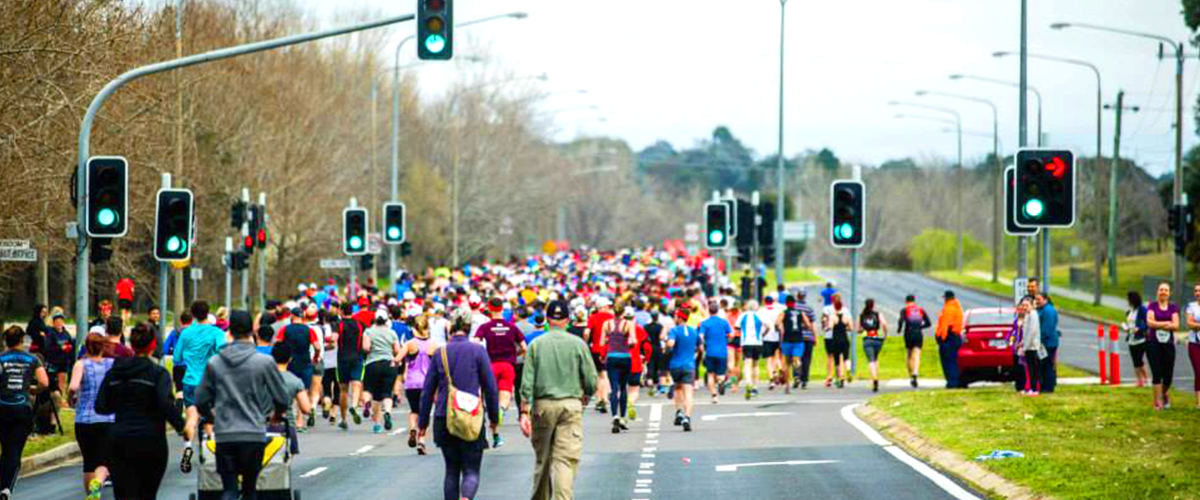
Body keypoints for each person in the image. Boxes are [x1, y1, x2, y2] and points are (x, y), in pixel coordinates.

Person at [194, 310, 291, 500]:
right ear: (252, 331)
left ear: (229, 331)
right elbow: (282, 398)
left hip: (225, 434)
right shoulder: (264, 362)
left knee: (229, 487)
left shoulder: (215, 362)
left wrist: (214, 418)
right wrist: (276, 415)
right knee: (249, 488)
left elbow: (200, 400)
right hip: (254, 433)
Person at [94, 322, 184, 500]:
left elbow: (101, 406)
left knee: (122, 494)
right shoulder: (158, 373)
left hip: (119, 440)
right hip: (150, 441)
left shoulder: (115, 372)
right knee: (147, 494)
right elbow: (165, 405)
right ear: (152, 345)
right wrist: (182, 427)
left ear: (131, 345)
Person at [519, 300, 598, 500]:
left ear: (547, 320)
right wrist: (586, 395)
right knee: (564, 460)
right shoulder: (578, 344)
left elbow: (526, 381)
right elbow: (591, 379)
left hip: (543, 405)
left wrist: (523, 411)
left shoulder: (536, 345)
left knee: (542, 460)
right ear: (567, 320)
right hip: (571, 403)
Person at [418, 309, 500, 500]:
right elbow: (490, 387)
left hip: (444, 416)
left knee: (452, 470)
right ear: (469, 327)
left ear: (451, 328)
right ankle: (466, 498)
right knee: (471, 469)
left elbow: (427, 391)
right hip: (471, 416)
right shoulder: (478, 351)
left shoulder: (441, 353)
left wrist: (422, 423)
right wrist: (494, 419)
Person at [175, 300, 227, 472]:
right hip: (210, 381)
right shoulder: (216, 332)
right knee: (209, 418)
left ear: (193, 314)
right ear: (208, 312)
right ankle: (210, 452)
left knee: (191, 417)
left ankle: (188, 446)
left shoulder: (185, 333)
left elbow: (177, 358)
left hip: (190, 381)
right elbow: (223, 352)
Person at [0, 326, 49, 500]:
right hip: (22, 409)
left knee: (4, 448)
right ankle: (5, 488)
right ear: (22, 341)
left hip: (2, 408)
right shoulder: (32, 359)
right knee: (14, 451)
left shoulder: (1, 358)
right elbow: (44, 382)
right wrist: (32, 390)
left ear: (6, 341)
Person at [473, 297, 527, 446]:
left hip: (490, 365)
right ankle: (501, 410)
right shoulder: (512, 327)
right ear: (502, 309)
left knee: (489, 399)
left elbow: (475, 344)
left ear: (489, 309)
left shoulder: (485, 327)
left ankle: (494, 433)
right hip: (508, 365)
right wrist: (516, 355)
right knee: (504, 398)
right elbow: (524, 348)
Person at [68, 333, 114, 500]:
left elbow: (73, 386)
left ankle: (91, 495)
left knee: (89, 460)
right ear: (103, 347)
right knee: (105, 458)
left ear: (86, 347)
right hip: (107, 418)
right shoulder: (111, 364)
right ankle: (99, 483)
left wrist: (71, 398)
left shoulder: (81, 364)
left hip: (84, 419)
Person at [270, 342, 313, 454]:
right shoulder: (295, 381)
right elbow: (306, 408)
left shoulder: (262, 377)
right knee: (285, 461)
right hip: (286, 426)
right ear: (290, 359)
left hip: (261, 426)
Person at [601, 305, 639, 431]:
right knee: (623, 388)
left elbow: (601, 343)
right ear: (623, 313)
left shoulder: (606, 324)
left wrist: (609, 341)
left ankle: (615, 416)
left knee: (614, 387)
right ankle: (622, 417)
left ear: (613, 312)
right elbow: (633, 340)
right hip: (625, 357)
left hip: (611, 357)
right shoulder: (628, 324)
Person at [363, 312, 402, 434]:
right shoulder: (392, 332)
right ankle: (388, 412)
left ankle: (375, 421)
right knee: (387, 393)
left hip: (372, 364)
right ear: (386, 320)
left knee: (370, 392)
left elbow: (366, 348)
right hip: (388, 365)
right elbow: (397, 350)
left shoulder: (368, 332)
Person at [403, 314, 436, 455]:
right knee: (425, 413)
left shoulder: (410, 343)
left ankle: (412, 429)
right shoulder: (433, 345)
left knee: (414, 410)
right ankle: (421, 440)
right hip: (427, 383)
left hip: (411, 383)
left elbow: (397, 358)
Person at [1145, 282, 1179, 410]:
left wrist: (1158, 323)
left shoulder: (1173, 308)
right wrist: (1166, 323)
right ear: (1157, 292)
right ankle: (1157, 402)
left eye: (1166, 290)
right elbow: (1150, 322)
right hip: (1153, 344)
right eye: (1161, 290)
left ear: (1169, 293)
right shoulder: (1152, 306)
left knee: (1168, 375)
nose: (1163, 292)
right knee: (1156, 373)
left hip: (1168, 345)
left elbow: (1176, 325)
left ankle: (1164, 393)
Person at [335, 302, 369, 430]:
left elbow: (334, 339)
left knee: (343, 390)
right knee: (357, 384)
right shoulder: (360, 325)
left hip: (342, 359)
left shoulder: (339, 324)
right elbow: (366, 345)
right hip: (357, 358)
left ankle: (343, 419)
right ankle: (354, 406)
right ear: (352, 312)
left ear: (341, 311)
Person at [667, 308, 699, 431]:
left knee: (678, 388)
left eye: (676, 316)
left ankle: (679, 411)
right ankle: (687, 417)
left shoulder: (674, 330)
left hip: (676, 364)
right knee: (688, 392)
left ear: (680, 318)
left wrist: (668, 343)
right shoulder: (694, 331)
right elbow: (699, 346)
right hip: (689, 365)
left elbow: (671, 343)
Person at [779, 295, 814, 394]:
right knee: (797, 359)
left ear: (786, 303)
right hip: (798, 339)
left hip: (787, 339)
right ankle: (798, 366)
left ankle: (787, 386)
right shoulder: (800, 313)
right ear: (794, 303)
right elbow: (808, 324)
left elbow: (777, 323)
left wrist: (781, 328)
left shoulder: (784, 313)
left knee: (786, 363)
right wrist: (805, 327)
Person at [585, 298, 614, 414]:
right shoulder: (611, 317)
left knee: (598, 374)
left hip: (596, 348)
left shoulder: (592, 317)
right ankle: (605, 398)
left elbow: (587, 332)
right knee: (605, 374)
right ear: (604, 306)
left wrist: (586, 341)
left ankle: (599, 399)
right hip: (610, 348)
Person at [896, 294, 931, 388]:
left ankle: (911, 375)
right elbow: (928, 323)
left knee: (909, 354)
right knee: (917, 354)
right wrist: (920, 327)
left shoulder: (904, 310)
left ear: (906, 301)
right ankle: (916, 373)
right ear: (914, 301)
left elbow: (901, 320)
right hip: (918, 333)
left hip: (908, 333)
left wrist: (899, 330)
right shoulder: (920, 310)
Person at [1012, 297, 1045, 396]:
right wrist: (1021, 343)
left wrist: (1025, 346)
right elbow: (1025, 332)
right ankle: (1029, 388)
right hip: (1027, 346)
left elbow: (1032, 332)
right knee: (1029, 369)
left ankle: (1034, 389)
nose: (1025, 307)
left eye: (1027, 305)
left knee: (1033, 369)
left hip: (1032, 347)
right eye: (1023, 305)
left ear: (1032, 305)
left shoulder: (1033, 315)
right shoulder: (1028, 315)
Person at [43, 310, 75, 405]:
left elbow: (71, 344)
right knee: (52, 382)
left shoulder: (66, 333)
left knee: (62, 381)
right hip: (53, 361)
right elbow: (48, 347)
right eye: (57, 321)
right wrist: (60, 348)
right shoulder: (51, 333)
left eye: (61, 321)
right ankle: (53, 399)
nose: (59, 323)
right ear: (54, 322)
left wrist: (69, 348)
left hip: (63, 361)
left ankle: (62, 400)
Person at [822, 293, 853, 388]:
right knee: (845, 357)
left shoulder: (828, 311)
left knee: (834, 358)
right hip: (844, 338)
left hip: (832, 338)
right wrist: (845, 328)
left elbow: (827, 325)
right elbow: (851, 327)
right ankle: (847, 370)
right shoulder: (846, 312)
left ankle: (836, 377)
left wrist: (826, 327)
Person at [936, 291, 964, 389]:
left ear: (947, 298)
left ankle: (952, 382)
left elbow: (945, 325)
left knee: (948, 362)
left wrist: (941, 338)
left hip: (949, 337)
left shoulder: (948, 308)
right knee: (954, 361)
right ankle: (956, 381)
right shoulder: (958, 307)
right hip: (956, 337)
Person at [859, 299, 888, 392]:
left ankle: (874, 378)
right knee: (875, 358)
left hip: (867, 339)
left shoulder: (862, 315)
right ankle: (876, 376)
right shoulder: (877, 314)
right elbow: (884, 324)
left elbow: (858, 329)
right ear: (873, 305)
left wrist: (862, 330)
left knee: (871, 360)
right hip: (878, 339)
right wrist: (885, 334)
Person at [737, 300, 764, 399]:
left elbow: (737, 327)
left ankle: (748, 382)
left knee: (747, 363)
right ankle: (755, 387)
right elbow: (769, 326)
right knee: (756, 364)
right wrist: (763, 334)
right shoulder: (759, 315)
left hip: (746, 342)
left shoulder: (743, 315)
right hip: (757, 342)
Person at [756, 295, 784, 390]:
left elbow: (759, 323)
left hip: (766, 337)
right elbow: (780, 324)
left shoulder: (761, 311)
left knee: (768, 360)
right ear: (772, 302)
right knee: (776, 356)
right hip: (776, 337)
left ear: (764, 301)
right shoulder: (778, 311)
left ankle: (772, 378)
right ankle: (779, 368)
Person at [1123, 291, 1150, 388]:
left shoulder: (1142, 309)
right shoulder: (1130, 310)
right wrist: (1127, 328)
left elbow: (1148, 322)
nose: (1127, 301)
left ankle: (1146, 379)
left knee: (1139, 360)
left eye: (1128, 299)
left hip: (1140, 339)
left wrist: (1140, 328)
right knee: (1135, 361)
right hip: (1131, 338)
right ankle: (1139, 380)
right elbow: (1130, 322)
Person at [1035, 293, 1060, 393]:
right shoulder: (1042, 309)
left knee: (1047, 365)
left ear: (1045, 299)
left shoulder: (1048, 311)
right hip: (1045, 342)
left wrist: (1039, 341)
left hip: (1047, 343)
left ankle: (1048, 387)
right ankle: (1044, 385)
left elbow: (1046, 329)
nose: (1036, 301)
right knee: (1043, 365)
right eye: (1036, 299)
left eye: (1039, 299)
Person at [1186, 284, 1200, 409]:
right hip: (1194, 343)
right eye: (1195, 291)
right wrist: (1195, 325)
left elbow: (1194, 323)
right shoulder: (1191, 306)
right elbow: (1190, 323)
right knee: (1198, 371)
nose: (1197, 293)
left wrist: (1197, 324)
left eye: (1199, 290)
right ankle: (1199, 402)